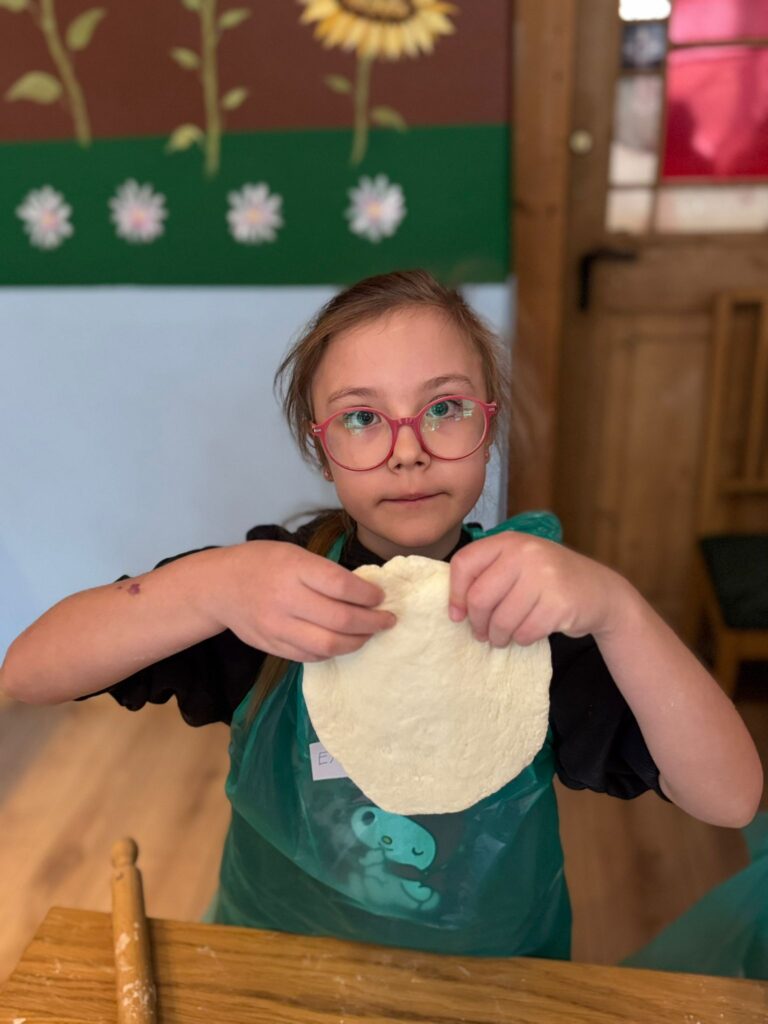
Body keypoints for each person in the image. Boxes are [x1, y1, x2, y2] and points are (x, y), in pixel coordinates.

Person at [0, 269, 762, 960]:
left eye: (444, 408)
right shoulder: (267, 596)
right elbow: (30, 671)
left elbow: (730, 796)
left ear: (488, 425)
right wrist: (207, 586)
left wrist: (618, 610)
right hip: (271, 968)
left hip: (492, 985)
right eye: (362, 418)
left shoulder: (532, 614)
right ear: (320, 447)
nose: (407, 450)